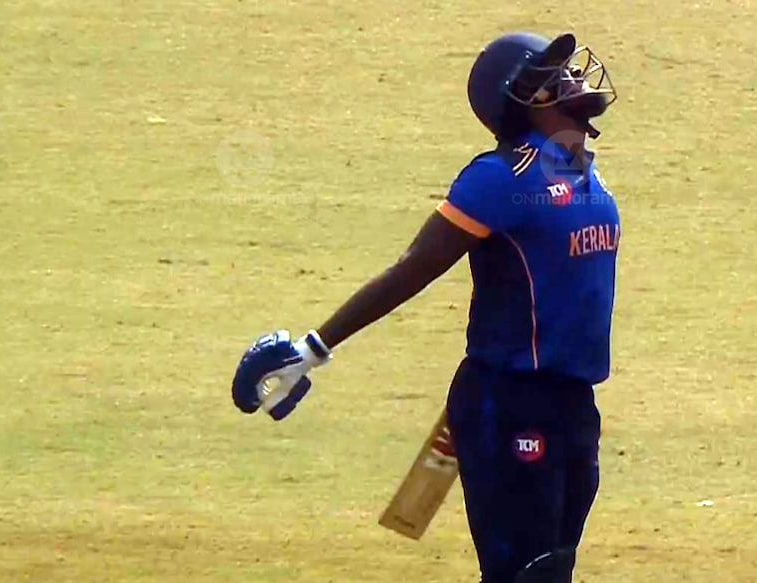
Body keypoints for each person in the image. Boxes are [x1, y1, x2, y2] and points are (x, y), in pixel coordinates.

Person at [230, 31, 620, 583]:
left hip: (574, 404)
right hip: (508, 403)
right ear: (525, 99)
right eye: (556, 72)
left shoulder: (581, 170)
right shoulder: (498, 180)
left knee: (554, 566)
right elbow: (413, 268)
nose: (576, 77)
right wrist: (313, 349)